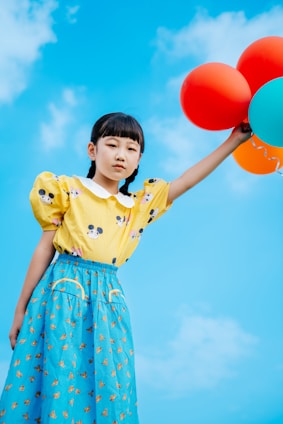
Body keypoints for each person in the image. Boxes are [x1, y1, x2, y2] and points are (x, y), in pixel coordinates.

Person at [0, 112, 251, 424]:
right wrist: (20, 309)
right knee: (57, 376)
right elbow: (45, 247)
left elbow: (187, 180)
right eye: (112, 144)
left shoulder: (139, 204)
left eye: (131, 149)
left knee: (109, 384)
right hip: (62, 293)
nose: (121, 155)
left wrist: (233, 141)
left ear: (139, 159)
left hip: (108, 301)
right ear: (93, 150)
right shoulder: (66, 190)